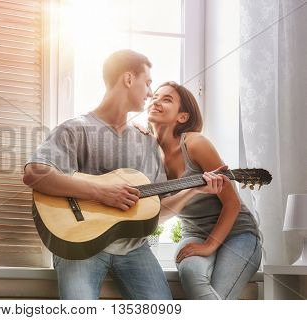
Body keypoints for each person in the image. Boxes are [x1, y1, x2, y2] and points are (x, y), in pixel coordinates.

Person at [23, 50, 226, 300]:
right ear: (128, 79)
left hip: (135, 250)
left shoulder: (147, 143)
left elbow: (156, 211)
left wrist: (194, 189)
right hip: (78, 250)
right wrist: (101, 192)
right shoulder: (75, 129)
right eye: (149, 83)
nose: (151, 93)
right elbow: (34, 172)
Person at [146, 81, 262, 299]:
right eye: (155, 97)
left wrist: (210, 245)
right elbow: (158, 215)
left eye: (166, 99)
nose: (156, 101)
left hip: (238, 234)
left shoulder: (195, 144)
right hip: (194, 233)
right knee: (190, 272)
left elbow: (232, 203)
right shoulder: (148, 156)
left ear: (182, 116)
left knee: (216, 294)